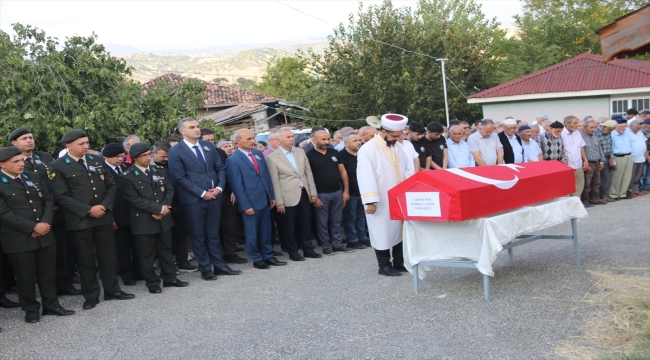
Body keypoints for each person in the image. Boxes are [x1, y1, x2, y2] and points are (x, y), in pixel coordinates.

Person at [49, 130, 135, 310]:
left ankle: (112, 290)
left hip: (103, 216)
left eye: (87, 142)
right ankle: (91, 295)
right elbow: (62, 196)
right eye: (81, 144)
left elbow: (111, 185)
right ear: (69, 146)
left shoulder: (96, 160)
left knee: (108, 256)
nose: (86, 146)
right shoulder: (58, 165)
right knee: (86, 259)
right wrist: (88, 209)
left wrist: (104, 206)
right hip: (80, 219)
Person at [0, 146, 76, 323]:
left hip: (45, 233)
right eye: (16, 162)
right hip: (19, 237)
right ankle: (31, 308)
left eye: (21, 160)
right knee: (25, 275)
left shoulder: (31, 177)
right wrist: (33, 227)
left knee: (47, 272)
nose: (21, 164)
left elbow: (48, 199)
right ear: (2, 164)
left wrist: (45, 223)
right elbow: (4, 214)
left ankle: (51, 305)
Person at [8, 127, 80, 296]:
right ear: (14, 142)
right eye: (24, 138)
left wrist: (55, 201)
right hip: (30, 218)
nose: (29, 140)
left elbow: (55, 181)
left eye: (30, 137)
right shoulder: (10, 161)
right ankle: (38, 292)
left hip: (54, 211)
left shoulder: (44, 157)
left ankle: (63, 285)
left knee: (61, 251)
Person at [168, 118, 235, 281]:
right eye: (192, 127)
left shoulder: (208, 146)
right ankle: (205, 268)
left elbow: (219, 168)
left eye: (197, 126)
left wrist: (219, 188)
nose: (197, 129)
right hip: (193, 200)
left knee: (213, 234)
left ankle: (219, 265)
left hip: (214, 196)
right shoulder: (176, 151)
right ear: (182, 131)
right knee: (198, 235)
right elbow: (180, 177)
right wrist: (201, 193)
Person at [120, 143, 189, 294]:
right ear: (135, 158)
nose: (147, 158)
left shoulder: (159, 170)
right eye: (143, 156)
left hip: (163, 217)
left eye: (149, 155)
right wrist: (158, 209)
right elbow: (134, 199)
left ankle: (170, 278)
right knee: (146, 254)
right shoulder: (127, 176)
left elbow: (169, 190)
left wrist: (164, 209)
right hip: (144, 220)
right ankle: (152, 282)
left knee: (166, 249)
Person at [357, 114, 415, 276]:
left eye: (399, 136)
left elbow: (408, 169)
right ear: (384, 131)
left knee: (399, 229)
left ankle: (399, 261)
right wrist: (371, 201)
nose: (398, 139)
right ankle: (384, 265)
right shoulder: (368, 149)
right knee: (381, 230)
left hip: (399, 196)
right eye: (395, 136)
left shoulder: (398, 146)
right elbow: (365, 176)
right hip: (380, 199)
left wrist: (409, 191)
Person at [226, 129, 285, 269]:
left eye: (253, 138)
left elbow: (266, 177)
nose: (253, 141)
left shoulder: (258, 154)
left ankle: (268, 255)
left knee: (266, 229)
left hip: (264, 199)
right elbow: (237, 186)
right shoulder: (232, 160)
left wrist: (271, 195)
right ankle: (257, 258)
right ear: (237, 141)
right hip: (250, 202)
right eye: (248, 139)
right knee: (252, 232)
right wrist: (245, 205)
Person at [266, 128, 323, 260]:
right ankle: (293, 252)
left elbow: (308, 173)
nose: (292, 139)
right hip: (287, 196)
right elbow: (275, 182)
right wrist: (279, 201)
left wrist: (313, 193)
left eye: (292, 136)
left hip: (304, 193)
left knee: (306, 223)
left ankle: (308, 249)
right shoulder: (272, 158)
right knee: (289, 226)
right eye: (288, 137)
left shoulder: (300, 152)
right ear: (279, 140)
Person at [151, 141, 197, 272]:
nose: (166, 159)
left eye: (168, 156)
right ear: (154, 153)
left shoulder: (174, 163)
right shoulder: (149, 167)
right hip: (163, 207)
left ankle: (183, 262)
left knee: (181, 235)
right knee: (165, 239)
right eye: (163, 157)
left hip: (179, 204)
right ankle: (169, 266)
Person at [306, 130, 354, 255]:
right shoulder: (309, 155)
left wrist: (346, 191)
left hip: (337, 192)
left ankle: (337, 244)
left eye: (328, 139)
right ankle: (326, 246)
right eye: (323, 139)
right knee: (322, 222)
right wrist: (314, 196)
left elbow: (343, 172)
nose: (326, 142)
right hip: (321, 194)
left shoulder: (334, 152)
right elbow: (308, 177)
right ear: (314, 139)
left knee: (336, 220)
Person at [103, 143, 141, 286]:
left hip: (132, 211)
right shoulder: (102, 170)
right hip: (116, 213)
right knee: (122, 247)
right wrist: (111, 217)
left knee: (136, 244)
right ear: (106, 157)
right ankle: (127, 274)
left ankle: (139, 271)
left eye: (122, 156)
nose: (120, 159)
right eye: (116, 157)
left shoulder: (127, 167)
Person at [337, 131, 370, 249]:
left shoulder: (363, 154)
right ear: (346, 143)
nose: (359, 143)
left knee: (361, 216)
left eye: (359, 140)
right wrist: (344, 191)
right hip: (350, 192)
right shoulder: (341, 156)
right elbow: (340, 175)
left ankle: (362, 237)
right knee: (350, 217)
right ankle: (352, 239)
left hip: (363, 191)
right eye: (355, 141)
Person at [561, 116, 589, 199]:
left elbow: (581, 147)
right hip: (568, 165)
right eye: (575, 123)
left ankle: (577, 205)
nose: (577, 125)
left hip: (578, 164)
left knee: (579, 187)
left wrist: (585, 160)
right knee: (567, 188)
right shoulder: (562, 134)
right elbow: (562, 150)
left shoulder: (577, 133)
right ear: (567, 124)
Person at [580, 120, 606, 206]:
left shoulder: (595, 136)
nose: (593, 129)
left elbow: (600, 149)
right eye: (591, 127)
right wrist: (585, 163)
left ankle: (595, 199)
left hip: (596, 162)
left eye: (595, 127)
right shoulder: (581, 137)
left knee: (596, 183)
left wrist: (602, 161)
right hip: (588, 163)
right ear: (584, 128)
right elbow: (581, 151)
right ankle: (585, 201)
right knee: (587, 184)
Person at [608, 116, 634, 200]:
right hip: (618, 157)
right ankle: (613, 194)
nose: (624, 128)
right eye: (622, 126)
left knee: (627, 176)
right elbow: (610, 147)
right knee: (616, 177)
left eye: (625, 126)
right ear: (617, 126)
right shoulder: (612, 135)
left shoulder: (626, 134)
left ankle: (623, 193)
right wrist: (613, 160)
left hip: (628, 156)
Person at [595, 120, 618, 202]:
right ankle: (600, 196)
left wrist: (611, 157)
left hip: (607, 156)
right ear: (604, 127)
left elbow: (610, 145)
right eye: (610, 129)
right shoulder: (596, 133)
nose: (610, 131)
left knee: (606, 177)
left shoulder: (608, 133)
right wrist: (601, 160)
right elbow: (598, 148)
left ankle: (604, 195)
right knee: (601, 178)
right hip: (600, 158)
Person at [626, 120, 647, 197]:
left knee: (638, 175)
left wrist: (645, 153)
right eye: (637, 128)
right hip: (632, 157)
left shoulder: (640, 132)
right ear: (631, 126)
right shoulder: (627, 132)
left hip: (641, 157)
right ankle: (629, 190)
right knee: (631, 176)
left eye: (640, 128)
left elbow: (644, 142)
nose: (638, 129)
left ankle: (635, 189)